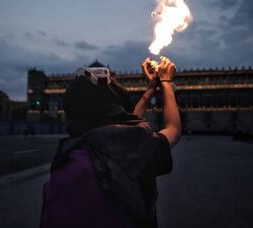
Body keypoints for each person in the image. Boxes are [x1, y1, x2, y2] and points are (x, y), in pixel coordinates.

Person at [40, 56, 181, 228]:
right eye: (112, 83)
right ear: (111, 103)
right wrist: (166, 82)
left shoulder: (72, 151)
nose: (116, 82)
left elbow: (126, 124)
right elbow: (173, 129)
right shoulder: (131, 146)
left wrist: (151, 87)